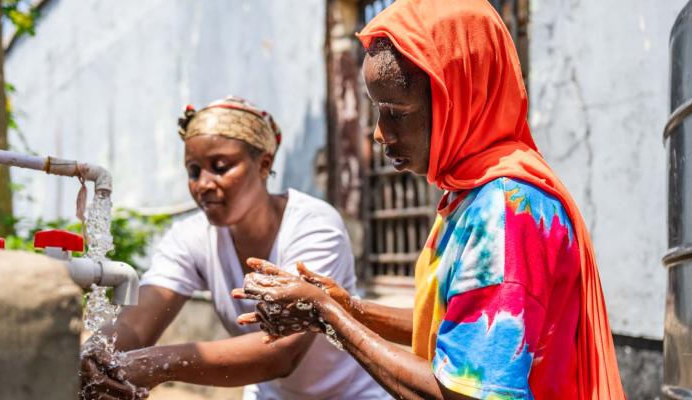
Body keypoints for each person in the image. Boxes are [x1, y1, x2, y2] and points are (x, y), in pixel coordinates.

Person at [234, 1, 625, 399]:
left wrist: (327, 315)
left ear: (460, 97)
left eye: (396, 113)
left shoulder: (504, 212)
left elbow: (462, 394)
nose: (379, 134)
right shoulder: (470, 194)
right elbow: (456, 325)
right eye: (376, 111)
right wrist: (348, 307)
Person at [79, 96, 389, 400]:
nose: (203, 184)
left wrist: (160, 363)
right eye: (194, 171)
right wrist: (96, 355)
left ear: (264, 164)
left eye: (220, 167)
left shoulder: (313, 227)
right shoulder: (191, 238)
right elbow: (137, 324)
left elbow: (282, 353)